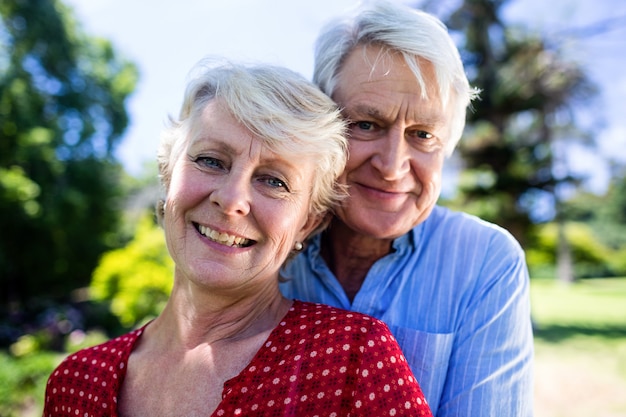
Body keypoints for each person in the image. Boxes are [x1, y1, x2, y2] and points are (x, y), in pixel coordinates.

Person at [43, 59, 433, 416]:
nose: (231, 201)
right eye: (211, 160)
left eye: (274, 181)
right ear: (167, 176)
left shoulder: (353, 361)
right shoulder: (76, 383)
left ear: (308, 223)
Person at [280, 1, 534, 416]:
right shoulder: (265, 242)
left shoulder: (485, 261)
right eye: (366, 124)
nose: (393, 166)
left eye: (422, 134)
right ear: (321, 127)